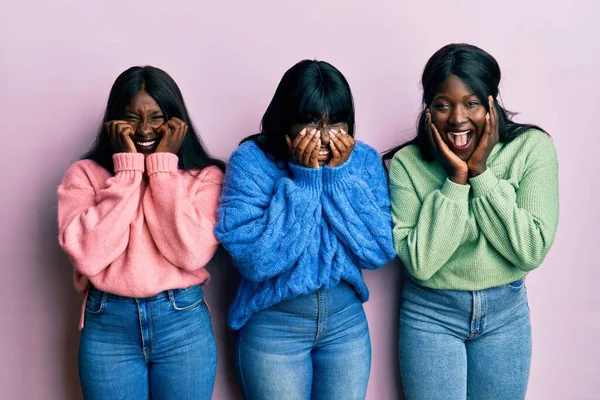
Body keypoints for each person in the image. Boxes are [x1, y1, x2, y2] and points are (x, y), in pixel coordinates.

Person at [386, 43, 559, 399]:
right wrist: (456, 180)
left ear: (491, 104)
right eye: (443, 105)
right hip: (429, 315)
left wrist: (480, 173)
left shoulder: (531, 149)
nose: (457, 119)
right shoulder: (407, 164)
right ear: (428, 110)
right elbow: (421, 263)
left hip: (505, 316)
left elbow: (530, 250)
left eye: (472, 103)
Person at [215, 59, 395, 399]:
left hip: (346, 326)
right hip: (274, 329)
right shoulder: (251, 162)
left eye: (334, 125)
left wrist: (339, 181)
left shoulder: (363, 161)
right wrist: (306, 183)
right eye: (312, 125)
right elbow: (256, 262)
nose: (324, 139)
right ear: (287, 121)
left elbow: (378, 250)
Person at [57, 66, 224, 400]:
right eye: (132, 117)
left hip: (182, 324)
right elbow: (88, 257)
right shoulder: (85, 176)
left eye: (157, 117)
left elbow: (190, 254)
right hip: (108, 326)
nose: (144, 129)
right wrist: (128, 172)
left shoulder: (205, 177)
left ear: (176, 122)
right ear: (114, 123)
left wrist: (162, 169)